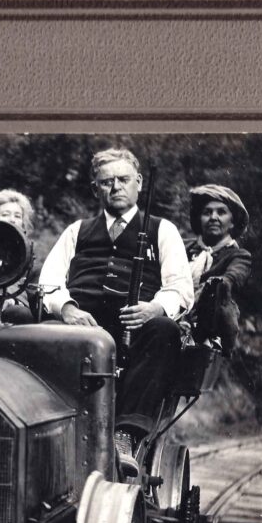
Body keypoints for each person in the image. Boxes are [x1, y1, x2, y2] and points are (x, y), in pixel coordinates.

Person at [38, 148, 193, 474]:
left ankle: (125, 435)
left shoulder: (162, 230)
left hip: (137, 328)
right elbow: (49, 282)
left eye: (123, 180)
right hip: (82, 323)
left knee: (164, 330)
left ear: (138, 183)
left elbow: (180, 288)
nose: (116, 187)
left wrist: (154, 308)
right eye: (107, 182)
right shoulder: (76, 231)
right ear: (96, 189)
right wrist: (66, 309)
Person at [185, 184, 253, 355]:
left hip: (206, 331)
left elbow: (233, 277)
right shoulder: (182, 247)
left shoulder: (238, 256)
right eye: (207, 212)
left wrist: (221, 284)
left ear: (232, 222)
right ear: (199, 218)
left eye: (221, 212)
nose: (213, 217)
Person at [0, 189, 37, 324]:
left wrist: (11, 298)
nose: (12, 220)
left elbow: (31, 286)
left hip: (14, 309)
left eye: (17, 216)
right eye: (5, 214)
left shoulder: (29, 253)